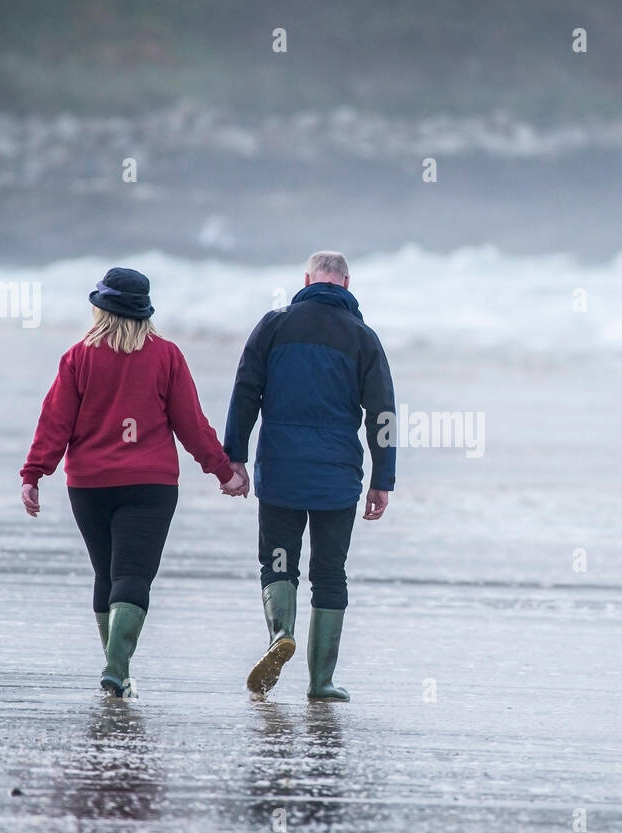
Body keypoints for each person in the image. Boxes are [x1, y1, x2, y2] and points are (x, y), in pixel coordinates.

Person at [20, 267, 245, 698]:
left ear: (99, 308)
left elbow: (54, 422)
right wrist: (222, 470)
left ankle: (116, 671)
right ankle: (116, 668)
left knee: (106, 575)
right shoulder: (166, 356)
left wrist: (34, 473)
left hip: (89, 484)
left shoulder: (78, 357)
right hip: (150, 483)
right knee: (133, 575)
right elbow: (191, 425)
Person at [223, 251, 396, 701]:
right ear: (346, 283)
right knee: (329, 572)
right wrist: (383, 478)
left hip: (280, 470)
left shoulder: (274, 325)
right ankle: (321, 682)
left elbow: (245, 391)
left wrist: (234, 456)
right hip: (337, 478)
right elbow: (382, 415)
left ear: (307, 279)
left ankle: (281, 634)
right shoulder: (363, 337)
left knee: (278, 562)